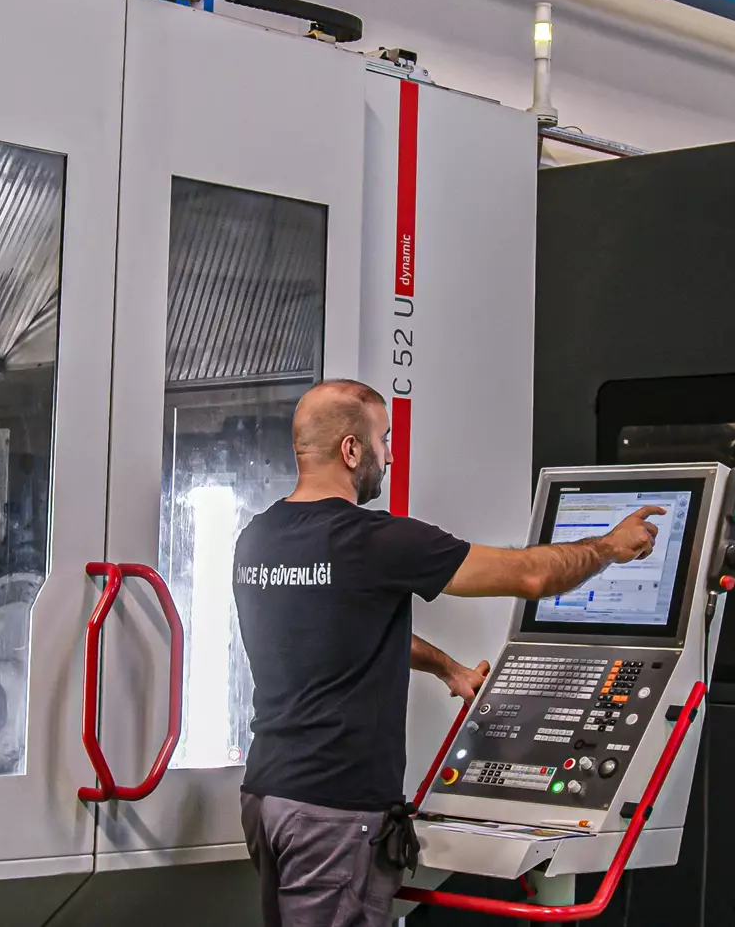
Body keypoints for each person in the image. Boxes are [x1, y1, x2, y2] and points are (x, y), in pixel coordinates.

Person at [233, 379, 663, 927]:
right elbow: (531, 576)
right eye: (384, 440)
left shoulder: (258, 538)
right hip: (334, 808)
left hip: (269, 796)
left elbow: (339, 628)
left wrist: (447, 669)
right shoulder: (375, 540)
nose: (389, 457)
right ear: (351, 450)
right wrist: (608, 547)